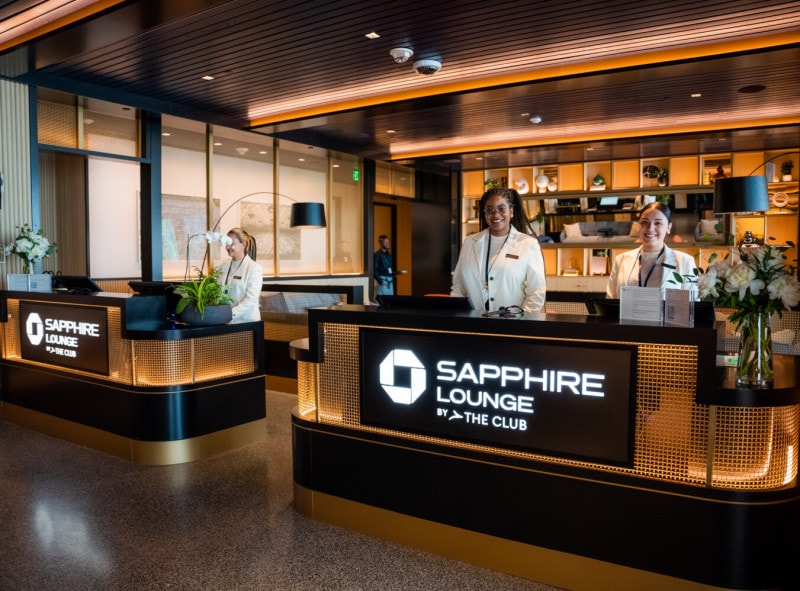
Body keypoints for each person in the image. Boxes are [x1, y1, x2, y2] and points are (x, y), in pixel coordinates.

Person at [451, 187, 546, 313]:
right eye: (490, 210)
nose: (495, 214)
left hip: (512, 321)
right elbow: (458, 287)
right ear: (484, 213)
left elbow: (536, 293)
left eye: (501, 208)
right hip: (473, 321)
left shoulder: (528, 244)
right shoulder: (469, 243)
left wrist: (522, 320)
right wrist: (455, 317)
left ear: (511, 211)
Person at [605, 201, 697, 298]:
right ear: (639, 226)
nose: (650, 228)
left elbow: (693, 302)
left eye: (658, 223)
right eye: (645, 222)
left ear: (668, 228)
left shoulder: (685, 262)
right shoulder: (620, 260)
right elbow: (610, 299)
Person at [220, 227, 263, 323]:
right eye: (227, 243)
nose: (227, 247)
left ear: (243, 244)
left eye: (231, 243)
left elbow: (251, 299)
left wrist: (230, 314)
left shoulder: (254, 268)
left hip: (246, 322)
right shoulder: (222, 267)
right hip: (225, 321)